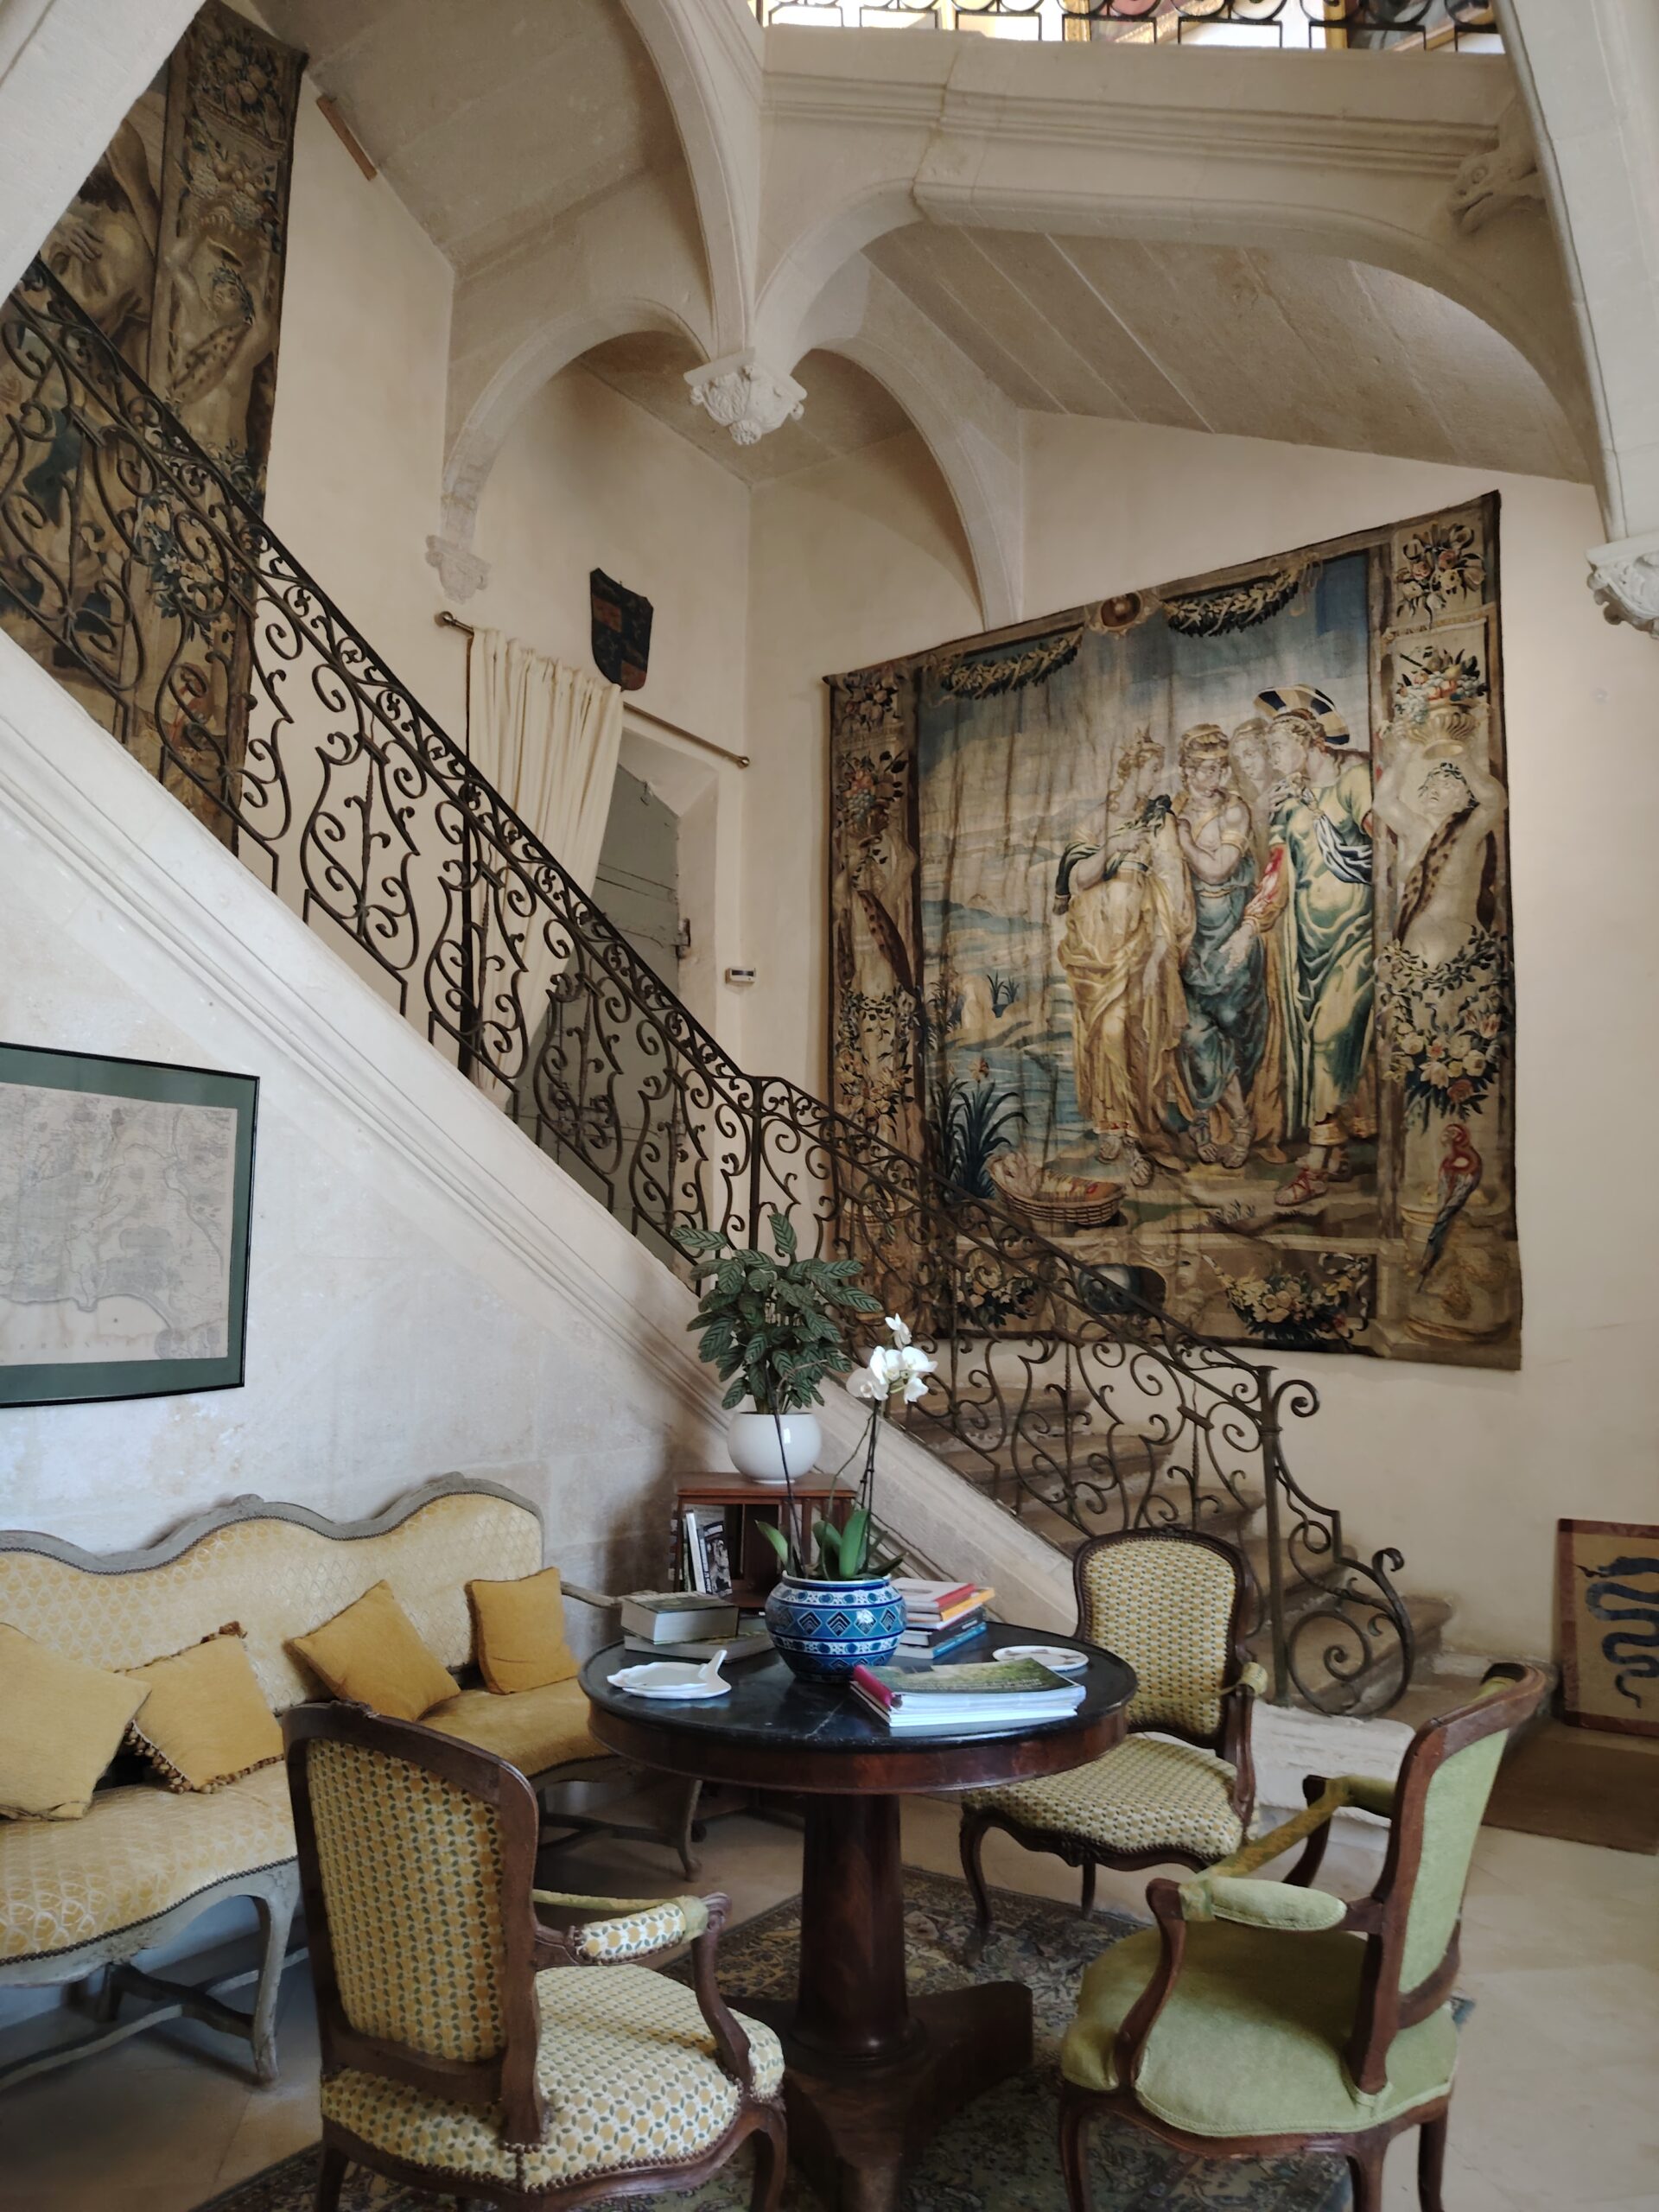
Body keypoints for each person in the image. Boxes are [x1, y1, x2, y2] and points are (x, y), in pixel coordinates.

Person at [1230, 687, 1374, 1208]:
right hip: (1307, 939)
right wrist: (1249, 927)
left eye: (1276, 748)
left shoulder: (1354, 781)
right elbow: (1277, 875)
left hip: (1357, 932)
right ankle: (1333, 1148)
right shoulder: (1287, 804)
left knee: (1333, 1035)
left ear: (1308, 740)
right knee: (1315, 1044)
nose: (1271, 759)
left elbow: (1387, 846)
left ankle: (1314, 1163)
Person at [1055, 732, 1192, 1187]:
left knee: (1138, 1039)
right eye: (1151, 769)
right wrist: (1114, 848)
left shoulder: (1160, 822)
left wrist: (1162, 949)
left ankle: (1137, 1129)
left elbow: (1173, 883)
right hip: (1096, 951)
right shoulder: (1097, 820)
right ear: (1131, 769)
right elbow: (1078, 878)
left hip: (1141, 946)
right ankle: (1116, 1126)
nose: (1156, 778)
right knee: (1107, 1034)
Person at [1170, 725, 1265, 1169]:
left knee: (1232, 1029)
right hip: (1190, 939)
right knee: (1194, 1034)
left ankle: (1231, 1121)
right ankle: (1217, 1119)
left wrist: (1183, 839)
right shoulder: (1173, 811)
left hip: (1229, 938)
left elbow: (1217, 869)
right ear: (1187, 771)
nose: (1215, 777)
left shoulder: (1233, 811)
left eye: (1220, 768)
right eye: (1205, 769)